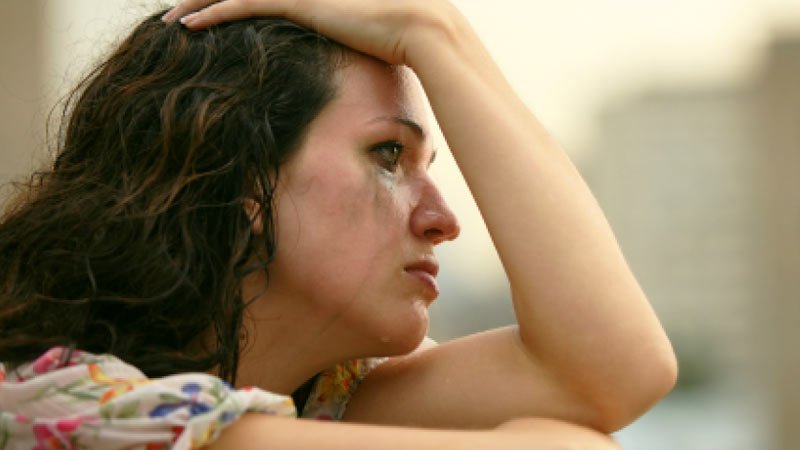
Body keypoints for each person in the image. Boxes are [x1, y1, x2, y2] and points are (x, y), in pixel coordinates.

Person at [0, 0, 677, 448]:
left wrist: (436, 32)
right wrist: (432, 29)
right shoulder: (53, 407)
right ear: (243, 185)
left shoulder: (324, 399)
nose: (443, 219)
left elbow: (611, 377)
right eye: (388, 155)